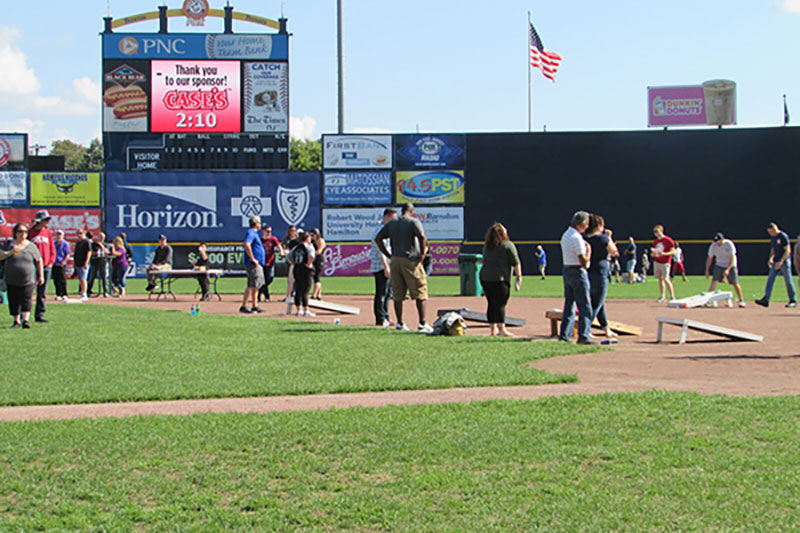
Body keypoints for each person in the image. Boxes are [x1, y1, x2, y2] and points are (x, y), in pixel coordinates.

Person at [375, 202, 433, 333]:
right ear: (412, 211)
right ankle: (422, 323)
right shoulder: (413, 221)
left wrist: (388, 254)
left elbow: (378, 238)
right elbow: (422, 237)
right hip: (410, 259)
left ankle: (400, 323)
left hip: (395, 260)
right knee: (420, 290)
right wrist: (423, 254)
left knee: (398, 293)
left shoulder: (392, 223)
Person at [558, 211, 597, 345]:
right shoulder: (577, 238)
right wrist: (589, 252)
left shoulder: (566, 235)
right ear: (581, 224)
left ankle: (564, 334)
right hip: (577, 272)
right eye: (586, 224)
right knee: (585, 305)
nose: (587, 227)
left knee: (569, 303)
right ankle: (584, 335)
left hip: (567, 270)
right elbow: (584, 263)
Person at [479, 222, 522, 336]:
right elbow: (516, 262)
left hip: (485, 278)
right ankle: (502, 329)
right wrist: (519, 278)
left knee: (491, 303)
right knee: (500, 304)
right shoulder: (507, 245)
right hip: (500, 279)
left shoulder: (487, 246)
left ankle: (493, 330)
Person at [0, 223, 44, 329]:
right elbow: (1, 256)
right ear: (15, 233)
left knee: (26, 298)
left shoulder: (31, 246)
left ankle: (25, 320)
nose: (22, 234)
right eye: (20, 231)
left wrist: (41, 275)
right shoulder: (8, 244)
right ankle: (16, 321)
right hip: (12, 278)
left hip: (28, 278)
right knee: (13, 299)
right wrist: (11, 252)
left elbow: (39, 260)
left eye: (25, 231)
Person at [585, 214, 619, 338]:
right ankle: (585, 329)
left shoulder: (584, 238)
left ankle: (605, 328)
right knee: (597, 304)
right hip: (600, 272)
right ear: (599, 226)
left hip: (588, 272)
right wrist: (609, 238)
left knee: (599, 302)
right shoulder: (603, 239)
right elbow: (614, 252)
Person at [755, 222, 797, 308]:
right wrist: (771, 258)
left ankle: (793, 299)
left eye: (771, 231)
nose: (770, 233)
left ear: (775, 229)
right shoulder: (773, 237)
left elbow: (788, 250)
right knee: (770, 279)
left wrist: (781, 261)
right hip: (775, 261)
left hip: (784, 262)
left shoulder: (783, 236)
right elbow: (773, 248)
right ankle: (766, 299)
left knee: (788, 281)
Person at [370, 208, 397, 327]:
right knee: (381, 293)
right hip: (380, 267)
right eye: (392, 219)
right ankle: (380, 319)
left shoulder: (387, 231)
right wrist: (386, 268)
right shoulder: (379, 232)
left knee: (387, 293)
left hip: (388, 266)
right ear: (386, 217)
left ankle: (386, 316)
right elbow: (379, 252)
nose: (394, 222)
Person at [705, 232, 746, 307]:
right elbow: (710, 258)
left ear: (723, 239)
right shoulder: (713, 246)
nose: (718, 244)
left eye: (719, 242)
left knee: (735, 282)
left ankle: (741, 300)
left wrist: (728, 269)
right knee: (714, 281)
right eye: (716, 242)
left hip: (730, 264)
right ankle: (708, 300)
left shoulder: (729, 244)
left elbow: (732, 258)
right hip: (719, 264)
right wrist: (707, 270)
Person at [28, 210, 55, 322]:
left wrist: (51, 261)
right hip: (32, 266)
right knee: (28, 291)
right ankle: (24, 315)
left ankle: (40, 315)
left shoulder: (47, 232)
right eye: (45, 220)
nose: (47, 222)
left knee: (42, 292)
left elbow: (51, 248)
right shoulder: (31, 232)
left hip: (46, 265)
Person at [240, 216, 266, 314]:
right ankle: (244, 305)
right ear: (256, 224)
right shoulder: (251, 232)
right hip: (253, 264)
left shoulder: (254, 233)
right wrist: (252, 258)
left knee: (256, 285)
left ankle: (255, 305)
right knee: (251, 284)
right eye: (259, 223)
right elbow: (247, 244)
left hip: (257, 263)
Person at [289, 231, 316, 317]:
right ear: (307, 238)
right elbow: (312, 256)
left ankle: (298, 310)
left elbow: (288, 256)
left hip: (297, 268)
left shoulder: (296, 247)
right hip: (305, 269)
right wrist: (308, 264)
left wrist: (293, 263)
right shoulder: (309, 246)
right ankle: (306, 310)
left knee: (298, 289)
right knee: (305, 290)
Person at [650, 225, 676, 302]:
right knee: (660, 279)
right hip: (657, 262)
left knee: (666, 278)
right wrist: (654, 254)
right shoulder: (656, 242)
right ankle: (662, 296)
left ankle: (672, 296)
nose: (655, 233)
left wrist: (663, 254)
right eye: (654, 231)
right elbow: (653, 253)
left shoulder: (668, 240)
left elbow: (673, 252)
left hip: (665, 262)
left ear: (661, 231)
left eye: (656, 231)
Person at [258, 225, 283, 302]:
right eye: (267, 231)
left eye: (270, 231)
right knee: (263, 279)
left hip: (270, 262)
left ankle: (259, 292)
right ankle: (266, 296)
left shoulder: (273, 239)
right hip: (262, 262)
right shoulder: (260, 240)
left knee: (270, 278)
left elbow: (279, 246)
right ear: (263, 231)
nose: (269, 233)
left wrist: (281, 252)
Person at [87, 232, 109, 297]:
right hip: (95, 262)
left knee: (104, 277)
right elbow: (92, 252)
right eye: (100, 237)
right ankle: (89, 290)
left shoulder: (105, 244)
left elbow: (107, 252)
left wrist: (101, 245)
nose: (101, 239)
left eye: (102, 238)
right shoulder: (93, 244)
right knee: (92, 276)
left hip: (102, 262)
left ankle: (105, 291)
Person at [52, 229, 71, 302]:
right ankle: (58, 293)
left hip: (61, 263)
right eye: (57, 234)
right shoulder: (54, 243)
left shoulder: (65, 244)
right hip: (55, 263)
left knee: (62, 279)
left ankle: (64, 294)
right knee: (56, 279)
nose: (58, 236)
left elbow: (67, 254)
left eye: (60, 234)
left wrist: (63, 262)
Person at [73, 229, 92, 302]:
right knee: (80, 279)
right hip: (78, 263)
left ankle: (84, 294)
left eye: (80, 233)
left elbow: (89, 252)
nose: (79, 235)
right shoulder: (78, 243)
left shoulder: (86, 242)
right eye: (77, 233)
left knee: (83, 279)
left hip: (83, 263)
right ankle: (82, 292)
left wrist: (86, 262)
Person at [281, 225, 299, 303]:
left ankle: (294, 293)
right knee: (290, 279)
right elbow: (284, 247)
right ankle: (289, 294)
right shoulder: (286, 239)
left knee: (296, 278)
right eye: (291, 230)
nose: (292, 232)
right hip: (289, 259)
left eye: (294, 230)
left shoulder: (298, 240)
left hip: (296, 260)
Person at [309, 228, 326, 299]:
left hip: (319, 260)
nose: (312, 237)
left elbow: (319, 251)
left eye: (313, 235)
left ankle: (314, 294)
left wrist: (311, 255)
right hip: (314, 260)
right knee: (315, 277)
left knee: (316, 277)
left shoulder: (321, 241)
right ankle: (319, 294)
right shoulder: (313, 241)